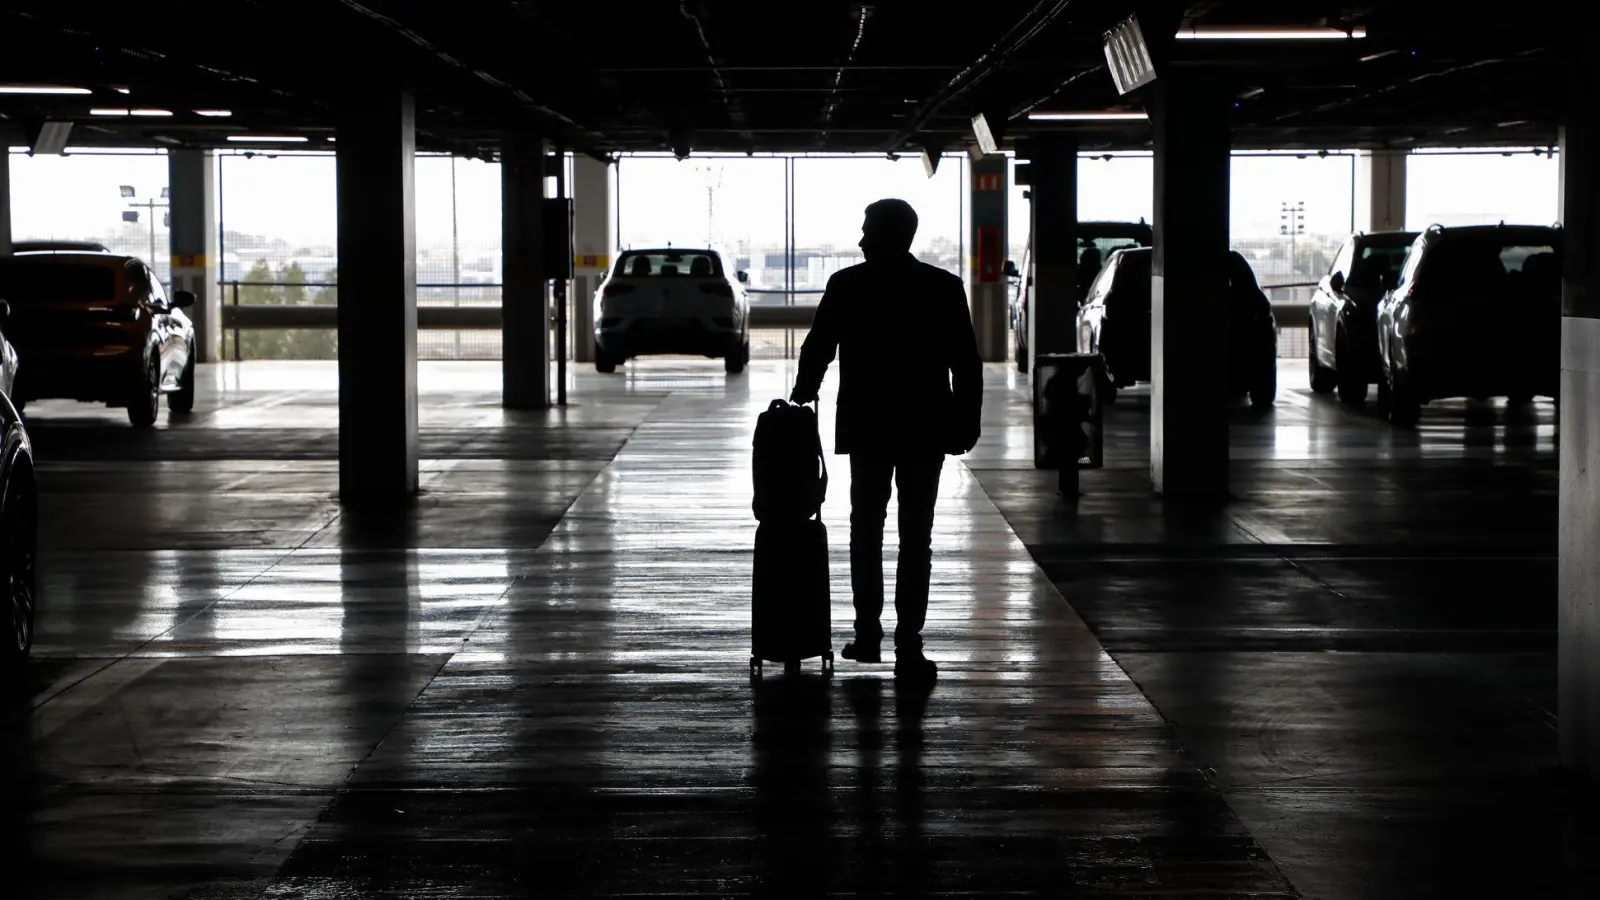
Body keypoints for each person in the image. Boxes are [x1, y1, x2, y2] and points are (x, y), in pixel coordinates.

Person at [789, 198, 983, 681]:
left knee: (866, 531)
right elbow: (966, 362)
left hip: (868, 424)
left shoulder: (849, 284)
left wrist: (800, 398)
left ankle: (869, 635)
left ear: (886, 234)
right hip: (925, 427)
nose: (860, 240)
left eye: (867, 230)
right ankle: (909, 645)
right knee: (917, 535)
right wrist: (967, 420)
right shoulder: (942, 287)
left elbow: (819, 347)